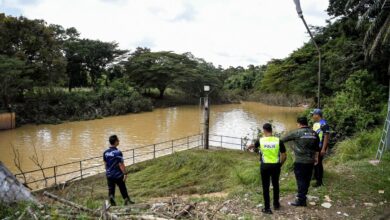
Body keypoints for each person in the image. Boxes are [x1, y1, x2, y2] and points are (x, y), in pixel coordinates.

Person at [248, 123, 287, 214]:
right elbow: (284, 155)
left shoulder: (261, 140)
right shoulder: (278, 141)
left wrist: (249, 146)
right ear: (271, 130)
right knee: (276, 185)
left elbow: (253, 146)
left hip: (265, 166)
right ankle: (276, 205)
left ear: (264, 130)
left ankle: (267, 208)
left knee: (265, 187)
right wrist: (280, 164)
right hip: (275, 166)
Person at [281, 117, 319, 207]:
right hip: (311, 160)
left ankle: (301, 200)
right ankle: (302, 196)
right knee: (307, 179)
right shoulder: (314, 133)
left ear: (299, 124)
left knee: (301, 180)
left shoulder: (296, 132)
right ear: (307, 123)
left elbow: (282, 140)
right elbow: (317, 148)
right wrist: (316, 158)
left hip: (300, 161)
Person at [103, 135, 134, 206]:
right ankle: (127, 201)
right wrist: (125, 174)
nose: (119, 141)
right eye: (118, 140)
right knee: (123, 188)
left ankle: (112, 204)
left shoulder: (105, 152)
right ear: (115, 142)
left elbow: (105, 164)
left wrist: (108, 172)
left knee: (111, 190)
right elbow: (121, 164)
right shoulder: (118, 152)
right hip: (118, 175)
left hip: (109, 175)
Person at [311, 109, 330, 187]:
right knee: (315, 162)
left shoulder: (324, 124)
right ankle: (316, 176)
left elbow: (326, 136)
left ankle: (319, 182)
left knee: (318, 163)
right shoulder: (315, 123)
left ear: (317, 115)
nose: (312, 116)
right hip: (315, 146)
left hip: (320, 147)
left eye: (313, 114)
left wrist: (323, 148)